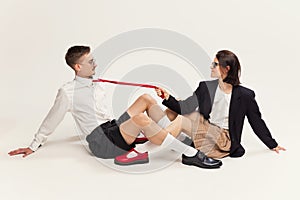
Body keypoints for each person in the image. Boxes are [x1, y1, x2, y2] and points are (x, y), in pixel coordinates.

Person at [8, 45, 222, 169]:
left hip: (111, 128)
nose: (95, 64)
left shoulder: (95, 83)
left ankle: (175, 140)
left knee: (147, 98)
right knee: (141, 120)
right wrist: (35, 144)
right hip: (100, 142)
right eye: (90, 62)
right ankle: (190, 153)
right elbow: (52, 119)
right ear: (78, 67)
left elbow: (103, 116)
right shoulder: (68, 92)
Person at [153, 50, 286, 158]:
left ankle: (148, 146)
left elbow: (256, 120)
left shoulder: (245, 95)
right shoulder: (206, 87)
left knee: (182, 121)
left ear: (226, 69)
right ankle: (157, 141)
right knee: (179, 114)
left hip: (224, 138)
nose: (211, 67)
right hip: (208, 127)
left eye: (215, 64)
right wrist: (167, 97)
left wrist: (272, 144)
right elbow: (185, 107)